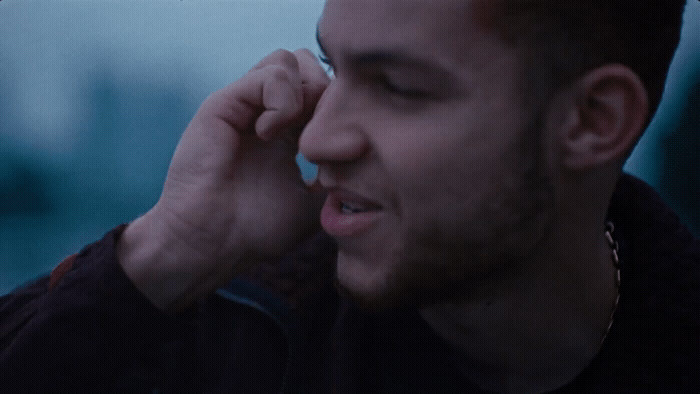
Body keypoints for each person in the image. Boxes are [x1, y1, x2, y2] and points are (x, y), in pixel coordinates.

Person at [2, 0, 698, 392]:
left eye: (397, 86)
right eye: (334, 67)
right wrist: (167, 251)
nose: (317, 135)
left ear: (592, 121)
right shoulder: (246, 329)